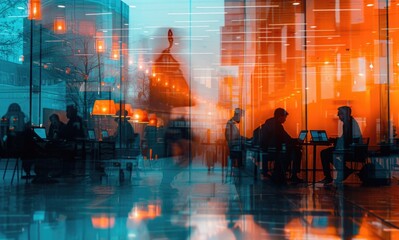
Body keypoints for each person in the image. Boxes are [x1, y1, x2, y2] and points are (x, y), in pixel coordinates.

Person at [320, 106, 362, 185]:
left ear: (345, 114)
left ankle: (331, 175)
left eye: (339, 114)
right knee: (328, 153)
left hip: (350, 150)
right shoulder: (349, 122)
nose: (338, 115)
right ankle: (344, 169)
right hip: (350, 149)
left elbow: (347, 139)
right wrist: (336, 140)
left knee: (325, 153)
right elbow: (345, 138)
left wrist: (335, 141)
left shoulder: (349, 124)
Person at [260, 108, 304, 184]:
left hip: (268, 150)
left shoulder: (269, 123)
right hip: (275, 151)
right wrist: (297, 141)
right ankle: (294, 175)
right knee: (297, 151)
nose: (285, 120)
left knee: (293, 150)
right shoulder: (277, 126)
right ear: (280, 117)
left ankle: (285, 173)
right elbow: (286, 139)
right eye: (285, 117)